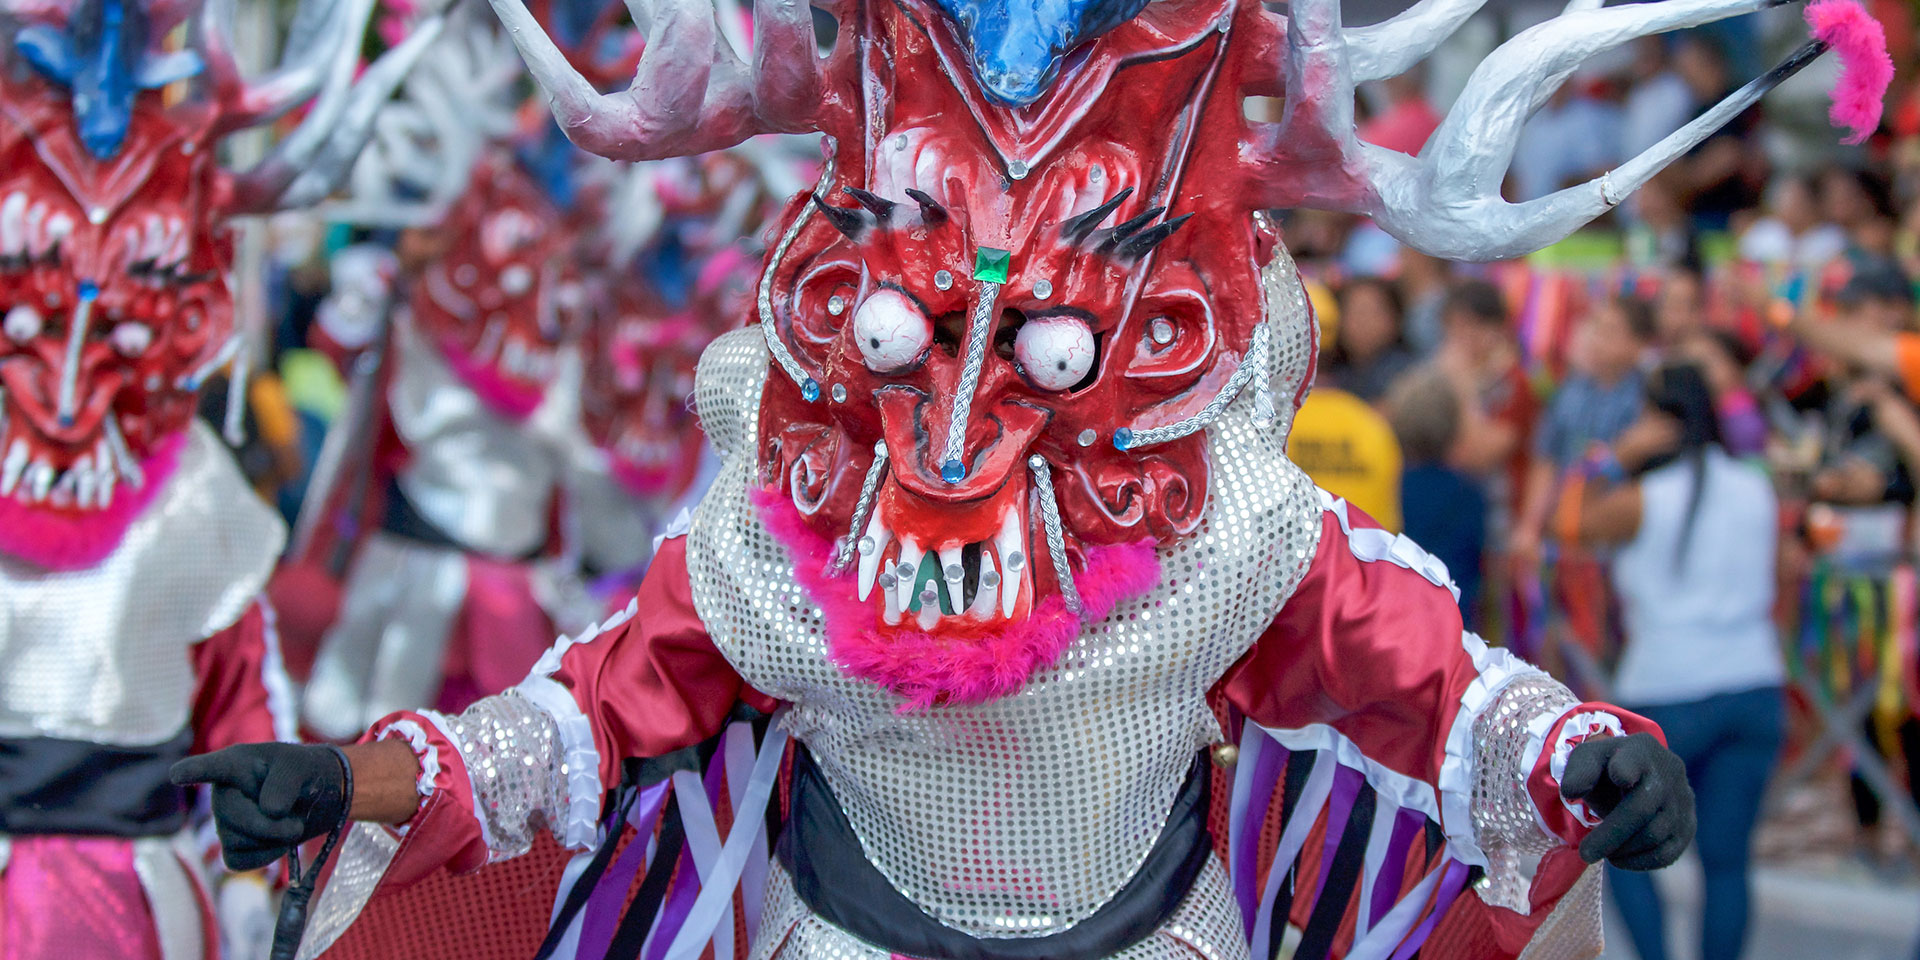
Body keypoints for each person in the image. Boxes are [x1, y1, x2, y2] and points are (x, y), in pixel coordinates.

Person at [1563, 362, 1785, 960]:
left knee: (1626, 849)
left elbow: (1572, 525)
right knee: (1728, 863)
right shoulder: (1757, 485)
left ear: (1661, 421)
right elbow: (1784, 571)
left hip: (1668, 691)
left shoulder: (1643, 497)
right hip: (1755, 685)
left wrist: (1607, 457)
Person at [1510, 295, 1657, 573]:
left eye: (1610, 331)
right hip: (1565, 534)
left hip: (1621, 539)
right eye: (1596, 326)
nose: (1597, 338)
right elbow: (1547, 459)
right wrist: (1530, 525)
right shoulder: (1570, 389)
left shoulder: (1648, 397)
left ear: (1639, 345)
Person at [1390, 369, 1488, 625]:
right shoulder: (1471, 494)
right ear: (1455, 430)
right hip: (1455, 628)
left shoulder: (1393, 485)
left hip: (1397, 624)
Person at [1322, 276, 1417, 403]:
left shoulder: (1408, 374)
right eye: (1353, 312)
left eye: (1371, 312)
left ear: (1395, 319)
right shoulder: (1335, 373)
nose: (1362, 322)